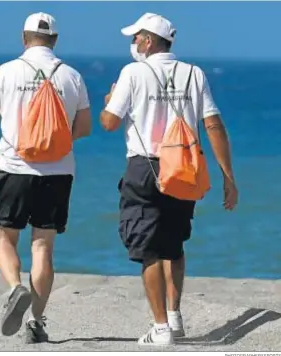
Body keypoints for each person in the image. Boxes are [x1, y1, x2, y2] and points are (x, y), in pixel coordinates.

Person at [99, 13, 238, 346]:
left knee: (147, 248)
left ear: (148, 41)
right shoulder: (194, 73)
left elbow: (108, 123)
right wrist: (227, 176)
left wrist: (108, 101)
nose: (132, 44)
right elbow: (213, 124)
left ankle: (160, 327)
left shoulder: (133, 73)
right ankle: (174, 318)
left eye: (135, 38)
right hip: (184, 166)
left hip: (145, 166)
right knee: (173, 243)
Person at [0, 12, 92, 343]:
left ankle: (15, 287)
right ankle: (36, 321)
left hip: (13, 169)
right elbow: (83, 128)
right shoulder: (72, 76)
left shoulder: (6, 72)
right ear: (55, 40)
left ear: (24, 38)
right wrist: (50, 141)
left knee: (4, 238)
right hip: (59, 171)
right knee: (43, 246)